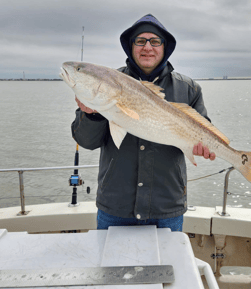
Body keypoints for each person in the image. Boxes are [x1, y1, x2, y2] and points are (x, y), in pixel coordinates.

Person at [72, 14, 215, 232]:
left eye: (155, 41)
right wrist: (92, 115)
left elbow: (204, 129)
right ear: (130, 47)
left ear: (165, 47)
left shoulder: (189, 89)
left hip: (166, 206)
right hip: (115, 207)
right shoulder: (106, 83)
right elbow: (86, 141)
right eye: (140, 41)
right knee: (110, 266)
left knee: (168, 266)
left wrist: (206, 148)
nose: (147, 47)